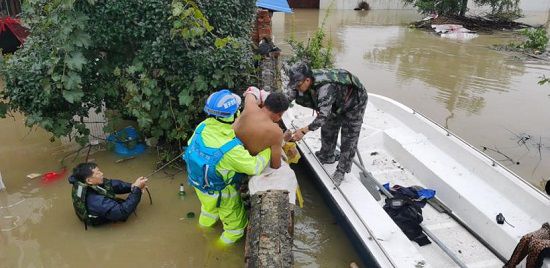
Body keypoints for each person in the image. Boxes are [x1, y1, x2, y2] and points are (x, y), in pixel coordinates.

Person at [184, 89, 271, 244]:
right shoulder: (230, 150)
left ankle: (201, 232)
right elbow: (255, 167)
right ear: (231, 115)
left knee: (208, 210)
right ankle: (218, 251)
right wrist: (268, 149)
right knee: (235, 229)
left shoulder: (202, 127)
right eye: (237, 110)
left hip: (200, 185)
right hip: (223, 194)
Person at [286, 62, 368, 186]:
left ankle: (341, 170)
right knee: (328, 129)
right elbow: (287, 97)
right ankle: (327, 155)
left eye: (298, 86)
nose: (296, 88)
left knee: (349, 138)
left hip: (354, 103)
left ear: (307, 80)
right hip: (335, 102)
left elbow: (323, 116)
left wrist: (303, 131)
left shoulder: (325, 88)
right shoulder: (300, 83)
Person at [68, 162, 148, 228]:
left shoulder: (80, 181)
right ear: (89, 180)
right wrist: (136, 191)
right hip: (98, 219)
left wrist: (132, 186)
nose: (102, 174)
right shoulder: (95, 200)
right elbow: (122, 213)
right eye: (98, 173)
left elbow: (110, 185)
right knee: (126, 210)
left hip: (96, 209)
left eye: (99, 171)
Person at [233, 86, 289, 169]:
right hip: (245, 162)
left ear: (264, 103)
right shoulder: (277, 132)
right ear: (280, 115)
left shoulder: (250, 106)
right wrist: (282, 140)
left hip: (230, 149)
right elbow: (275, 165)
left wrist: (259, 98)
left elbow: (251, 91)